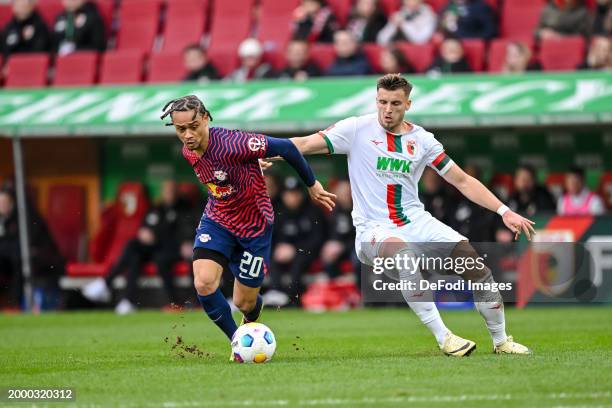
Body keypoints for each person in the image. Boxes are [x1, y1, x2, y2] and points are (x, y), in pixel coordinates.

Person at [288, 74, 534, 355]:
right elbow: (304, 144)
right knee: (404, 256)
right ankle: (446, 339)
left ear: (408, 104)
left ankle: (501, 341)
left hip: (416, 222)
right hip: (373, 229)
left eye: (395, 103)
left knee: (477, 269)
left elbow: (462, 180)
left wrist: (504, 211)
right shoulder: (355, 129)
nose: (387, 109)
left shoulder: (423, 140)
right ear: (376, 100)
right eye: (382, 102)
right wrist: (262, 151)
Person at [158, 95, 335, 360]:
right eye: (180, 129)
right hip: (217, 220)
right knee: (204, 283)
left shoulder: (234, 142)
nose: (187, 134)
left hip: (254, 228)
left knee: (244, 303)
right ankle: (238, 341)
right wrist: (248, 165)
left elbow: (287, 148)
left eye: (193, 126)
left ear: (206, 118)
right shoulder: (188, 150)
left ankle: (251, 319)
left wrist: (312, 184)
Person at [82, 181, 195, 314]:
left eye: (172, 191)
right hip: (154, 247)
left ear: (177, 192)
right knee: (133, 249)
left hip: (171, 249)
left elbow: (185, 231)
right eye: (166, 191)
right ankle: (118, 293)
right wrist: (144, 232)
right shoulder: (157, 208)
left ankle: (110, 287)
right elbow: (146, 226)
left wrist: (184, 241)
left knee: (159, 258)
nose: (169, 194)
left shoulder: (185, 208)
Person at [266, 177, 327, 306]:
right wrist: (279, 249)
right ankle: (276, 294)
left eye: (295, 194)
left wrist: (294, 250)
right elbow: (270, 237)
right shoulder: (276, 211)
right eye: (288, 194)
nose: (292, 198)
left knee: (298, 261)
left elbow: (318, 239)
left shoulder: (313, 211)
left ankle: (292, 298)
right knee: (273, 258)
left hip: (307, 252)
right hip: (281, 254)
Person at [320, 179, 358, 281]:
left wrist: (343, 246)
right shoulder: (333, 210)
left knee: (358, 257)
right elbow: (330, 233)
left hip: (355, 246)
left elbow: (361, 236)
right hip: (339, 247)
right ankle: (336, 287)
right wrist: (330, 244)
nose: (344, 195)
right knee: (328, 255)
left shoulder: (359, 210)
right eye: (341, 191)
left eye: (347, 191)